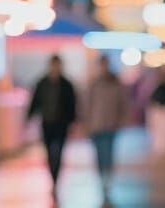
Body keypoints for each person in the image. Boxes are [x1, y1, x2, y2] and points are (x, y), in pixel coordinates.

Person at [28, 54, 76, 194]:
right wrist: (30, 117)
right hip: (47, 124)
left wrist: (73, 122)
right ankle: (52, 176)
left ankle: (56, 178)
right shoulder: (42, 83)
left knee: (59, 152)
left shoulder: (67, 85)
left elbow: (72, 105)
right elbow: (36, 101)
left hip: (62, 124)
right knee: (49, 153)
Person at [86, 56, 129, 188]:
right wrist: (86, 123)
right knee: (99, 154)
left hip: (111, 125)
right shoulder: (94, 84)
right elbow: (87, 105)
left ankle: (108, 177)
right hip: (96, 125)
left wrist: (121, 121)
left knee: (109, 153)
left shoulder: (115, 84)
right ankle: (102, 177)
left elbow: (123, 104)